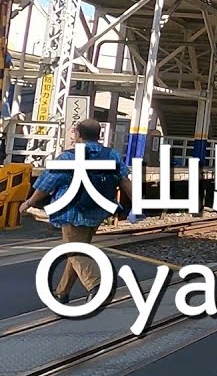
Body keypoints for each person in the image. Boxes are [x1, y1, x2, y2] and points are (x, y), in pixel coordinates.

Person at [18, 119, 133, 305]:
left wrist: (29, 202)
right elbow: (125, 181)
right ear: (99, 135)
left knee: (74, 250)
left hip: (73, 211)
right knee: (78, 250)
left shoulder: (69, 157)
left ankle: (97, 285)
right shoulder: (111, 155)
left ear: (78, 135)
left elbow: (47, 184)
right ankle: (62, 293)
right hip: (98, 210)